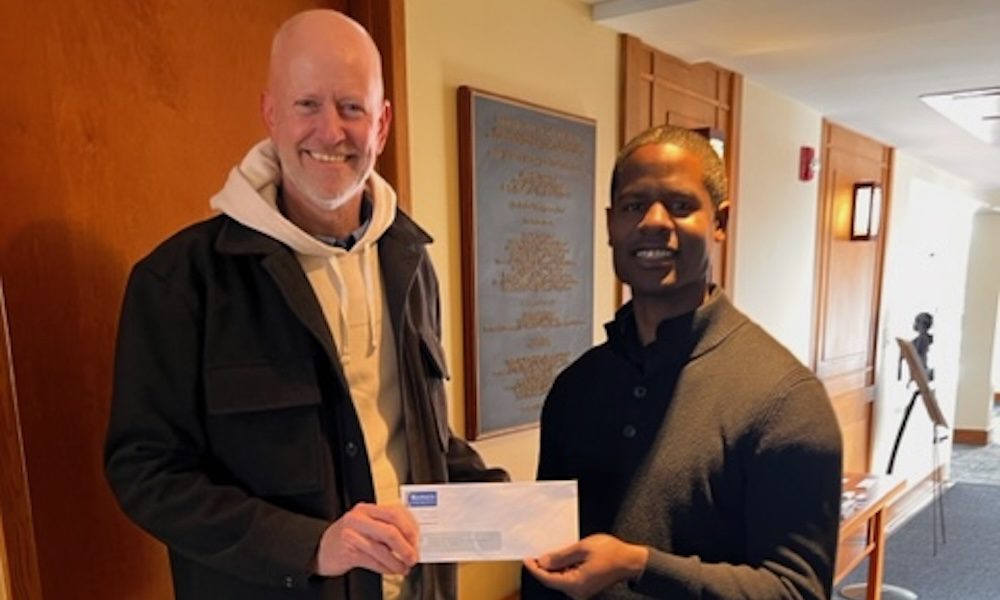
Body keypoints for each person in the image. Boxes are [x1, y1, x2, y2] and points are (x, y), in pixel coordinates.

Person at [104, 10, 506, 600]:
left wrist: (510, 508)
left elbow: (416, 434)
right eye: (307, 105)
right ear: (271, 113)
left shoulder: (411, 262)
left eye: (351, 108)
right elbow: (146, 473)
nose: (331, 131)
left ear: (382, 123)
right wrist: (310, 545)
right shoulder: (179, 281)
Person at [521, 125, 843, 599]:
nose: (653, 222)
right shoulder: (576, 387)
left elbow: (796, 591)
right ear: (611, 224)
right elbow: (546, 562)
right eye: (633, 206)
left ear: (720, 222)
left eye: (679, 205)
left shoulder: (786, 400)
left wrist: (639, 564)